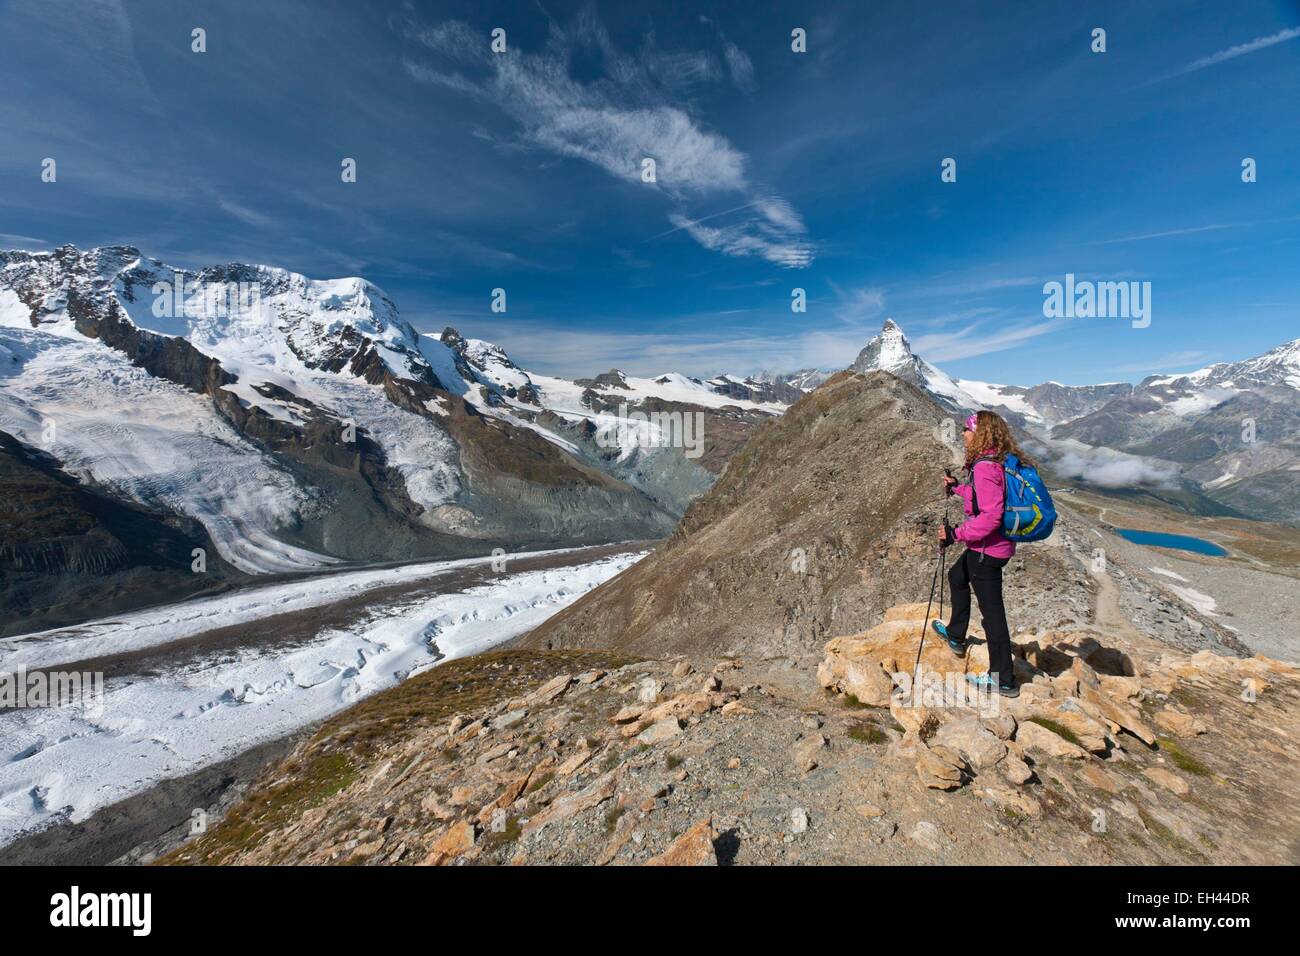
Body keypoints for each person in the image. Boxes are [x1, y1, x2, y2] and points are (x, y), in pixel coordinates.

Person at [931, 410, 1035, 698]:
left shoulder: (985, 467)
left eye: (967, 429)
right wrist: (958, 490)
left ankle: (1002, 678)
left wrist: (955, 535)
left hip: (986, 552)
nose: (963, 434)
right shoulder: (993, 461)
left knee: (992, 615)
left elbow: (990, 515)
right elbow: (983, 497)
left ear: (979, 434)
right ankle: (955, 634)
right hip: (991, 547)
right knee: (956, 575)